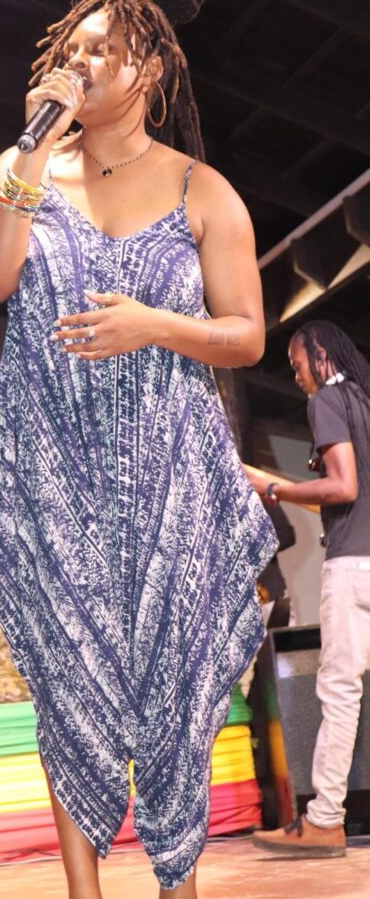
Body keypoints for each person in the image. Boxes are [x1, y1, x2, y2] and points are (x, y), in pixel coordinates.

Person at [0, 0, 277, 899]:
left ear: (150, 71)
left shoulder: (200, 190)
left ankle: (179, 885)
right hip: (54, 467)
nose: (83, 61)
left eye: (103, 49)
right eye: (74, 47)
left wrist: (155, 325)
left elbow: (247, 335)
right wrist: (31, 151)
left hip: (169, 477)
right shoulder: (20, 170)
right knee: (69, 687)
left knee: (175, 693)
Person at [248, 321, 370, 859]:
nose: (297, 377)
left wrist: (273, 488)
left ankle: (323, 821)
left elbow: (343, 486)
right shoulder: (364, 402)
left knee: (340, 692)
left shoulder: (328, 400)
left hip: (353, 567)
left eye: (298, 365)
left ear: (320, 355)